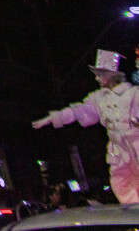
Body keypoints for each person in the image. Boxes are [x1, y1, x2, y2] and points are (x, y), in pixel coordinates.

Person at [33, 49, 139, 203]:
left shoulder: (134, 94)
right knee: (121, 185)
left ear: (112, 74)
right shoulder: (99, 98)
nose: (97, 78)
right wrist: (55, 117)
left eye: (100, 74)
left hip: (136, 148)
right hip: (119, 154)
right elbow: (80, 111)